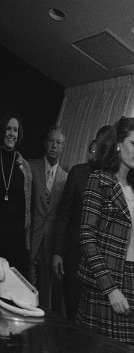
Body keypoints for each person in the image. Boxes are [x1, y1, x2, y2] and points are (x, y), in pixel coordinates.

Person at [77, 117, 134, 345]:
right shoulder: (98, 180)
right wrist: (110, 289)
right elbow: (87, 237)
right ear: (118, 144)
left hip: (132, 276)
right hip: (104, 280)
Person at [52, 125, 112, 320]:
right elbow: (64, 215)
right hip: (74, 256)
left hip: (103, 262)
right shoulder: (78, 173)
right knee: (72, 312)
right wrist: (57, 253)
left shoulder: (115, 179)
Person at [28, 126, 67, 312]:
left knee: (45, 296)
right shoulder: (30, 166)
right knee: (24, 288)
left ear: (62, 147)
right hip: (30, 238)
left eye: (58, 143)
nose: (54, 145)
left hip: (50, 244)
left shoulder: (66, 178)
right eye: (51, 141)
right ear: (45, 143)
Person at [0, 113, 32, 273]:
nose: (11, 134)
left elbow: (26, 207)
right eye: (8, 129)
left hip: (15, 237)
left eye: (15, 130)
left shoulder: (24, 166)